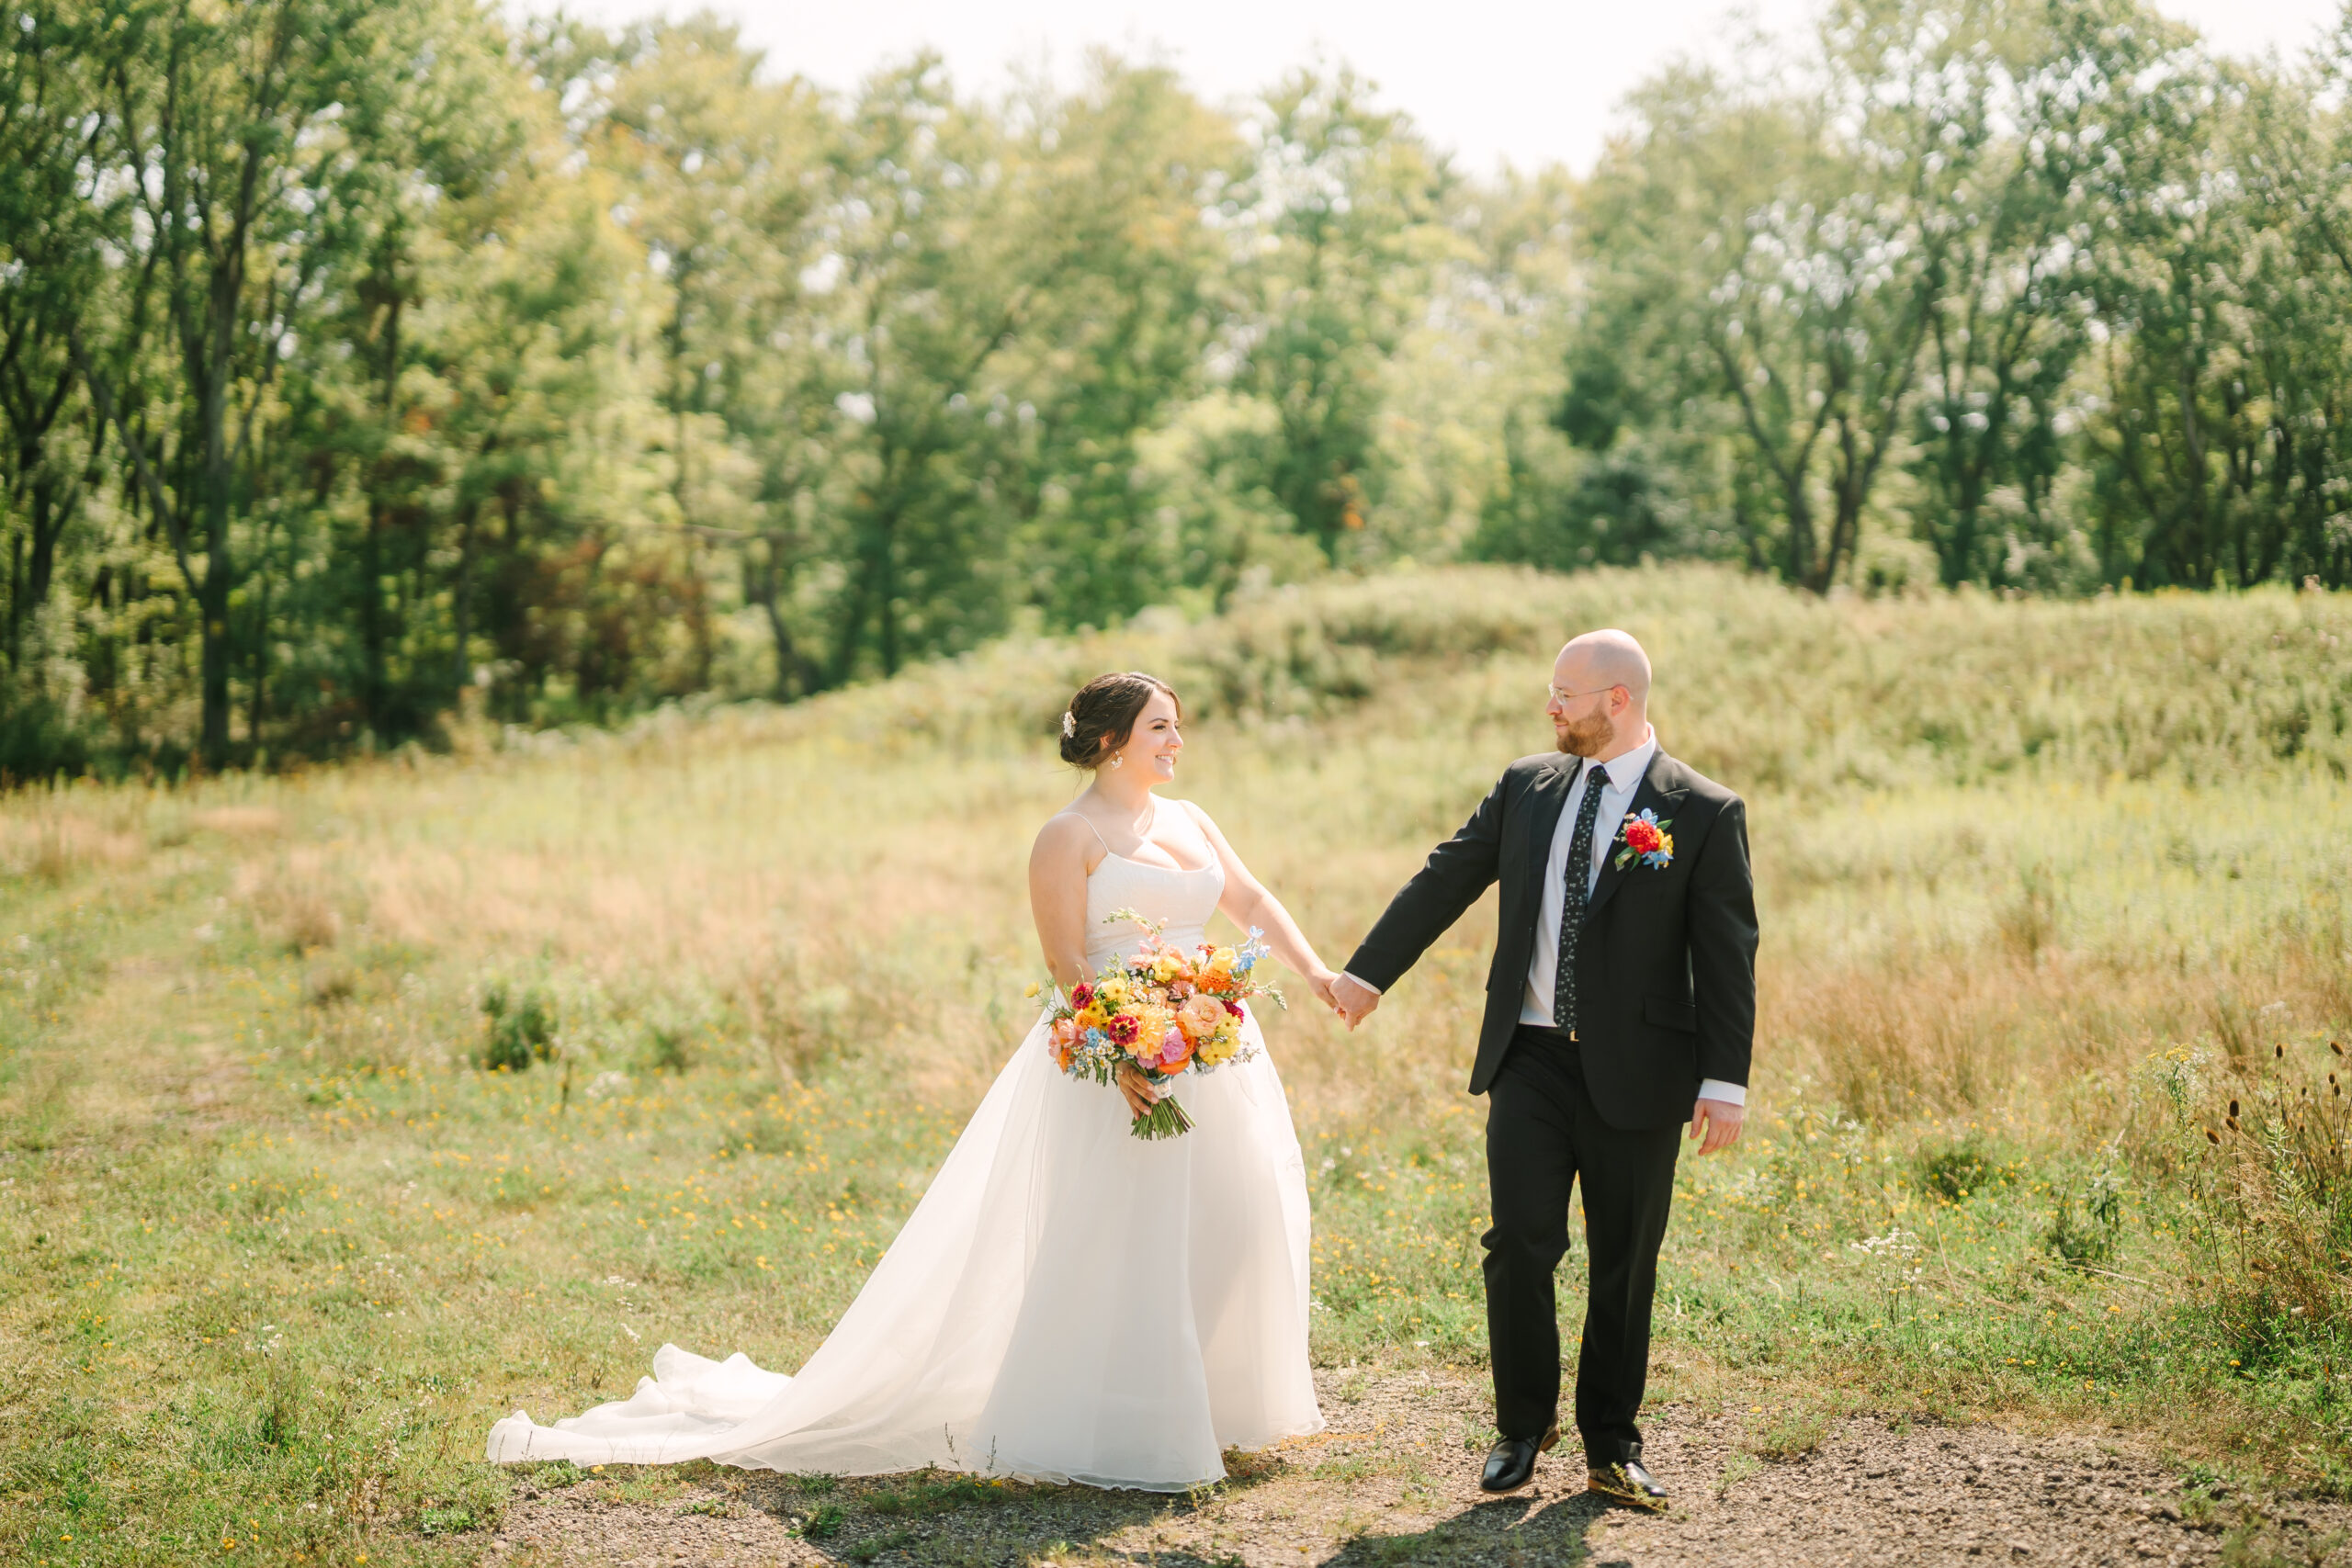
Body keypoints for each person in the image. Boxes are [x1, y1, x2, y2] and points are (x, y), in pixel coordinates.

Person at [485, 671, 1334, 1489]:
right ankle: (1122, 1416)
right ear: (1112, 741)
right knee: (1127, 1239)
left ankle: (1217, 1402)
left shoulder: (1191, 817)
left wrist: (1322, 974)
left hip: (1217, 1050)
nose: (1177, 739)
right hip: (1118, 1056)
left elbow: (1251, 903)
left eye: (1176, 723)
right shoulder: (1067, 837)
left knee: (1238, 1216)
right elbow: (1067, 962)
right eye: (1161, 726)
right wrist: (1120, 1056)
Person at [1329, 629, 1757, 1509]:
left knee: (1624, 1258)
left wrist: (1726, 1079)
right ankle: (1521, 1428)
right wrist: (1367, 972)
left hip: (1639, 1072)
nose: (1550, 706)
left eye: (1566, 692)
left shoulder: (1704, 810)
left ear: (1618, 700)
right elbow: (1448, 875)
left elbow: (1727, 955)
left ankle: (1612, 1441)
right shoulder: (1528, 785)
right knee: (1519, 1245)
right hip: (1525, 1058)